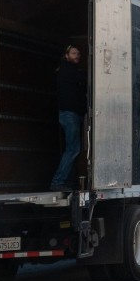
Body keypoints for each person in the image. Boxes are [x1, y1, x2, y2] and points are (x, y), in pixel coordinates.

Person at [50, 44, 88, 190]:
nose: (77, 55)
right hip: (69, 114)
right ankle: (58, 181)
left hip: (74, 114)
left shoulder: (71, 70)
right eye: (73, 53)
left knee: (73, 149)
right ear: (66, 56)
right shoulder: (67, 70)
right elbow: (83, 79)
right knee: (73, 149)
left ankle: (67, 182)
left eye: (78, 53)